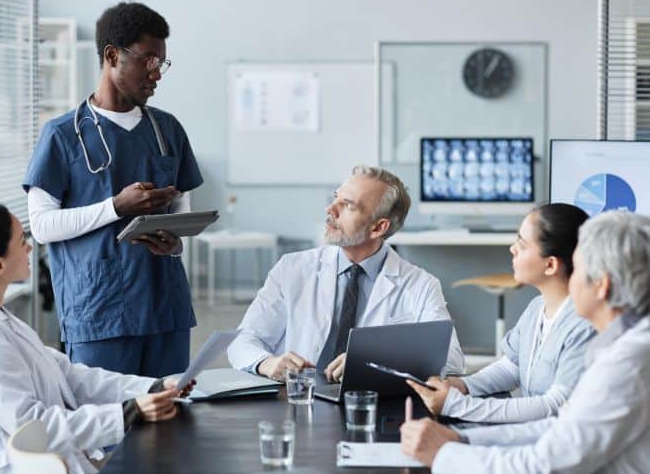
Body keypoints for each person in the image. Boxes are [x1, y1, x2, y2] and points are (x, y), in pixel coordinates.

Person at [23, 2, 203, 377]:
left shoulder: (167, 130)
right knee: (107, 429)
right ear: (112, 56)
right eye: (149, 60)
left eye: (162, 63)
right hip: (100, 315)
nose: (157, 74)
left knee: (171, 428)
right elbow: (41, 226)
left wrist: (176, 244)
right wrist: (116, 207)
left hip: (165, 310)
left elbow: (183, 214)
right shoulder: (62, 135)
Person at [0, 203, 193, 474]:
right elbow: (30, 427)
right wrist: (127, 413)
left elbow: (72, 377)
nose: (29, 247)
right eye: (21, 241)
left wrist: (154, 387)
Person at [400, 211, 650, 473]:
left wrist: (443, 453)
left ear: (602, 286)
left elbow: (543, 465)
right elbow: (561, 427)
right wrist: (462, 439)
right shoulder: (621, 347)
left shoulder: (626, 367)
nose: (571, 280)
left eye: (577, 270)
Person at [227, 165, 465, 381]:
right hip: (298, 403)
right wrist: (268, 364)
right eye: (335, 198)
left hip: (369, 407)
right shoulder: (292, 268)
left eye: (348, 205)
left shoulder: (420, 284)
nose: (331, 209)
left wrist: (372, 361)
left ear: (378, 227)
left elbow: (452, 360)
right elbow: (241, 341)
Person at [408, 203, 595, 423]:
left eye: (522, 244)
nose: (512, 249)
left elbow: (556, 405)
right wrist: (463, 385)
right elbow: (512, 367)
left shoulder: (584, 324)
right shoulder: (536, 307)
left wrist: (456, 405)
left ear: (551, 265)